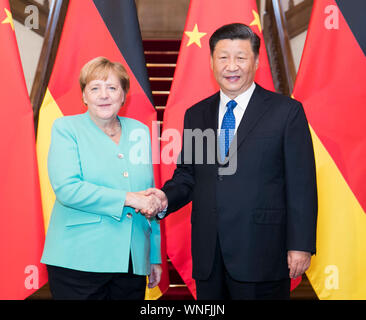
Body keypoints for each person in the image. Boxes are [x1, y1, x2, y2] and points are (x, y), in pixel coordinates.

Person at [144, 23, 318, 300]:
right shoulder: (197, 114)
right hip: (209, 255)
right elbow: (188, 176)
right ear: (212, 61)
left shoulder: (286, 112)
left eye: (240, 57)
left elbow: (302, 184)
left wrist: (300, 245)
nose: (231, 66)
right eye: (223, 57)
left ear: (257, 61)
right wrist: (164, 197)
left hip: (262, 253)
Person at [41, 57, 162, 300]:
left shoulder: (140, 131)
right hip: (78, 260)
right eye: (95, 88)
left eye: (112, 88)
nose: (103, 95)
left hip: (131, 262)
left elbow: (147, 195)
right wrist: (129, 198)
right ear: (84, 96)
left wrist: (153, 256)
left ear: (123, 95)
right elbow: (68, 189)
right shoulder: (66, 128)